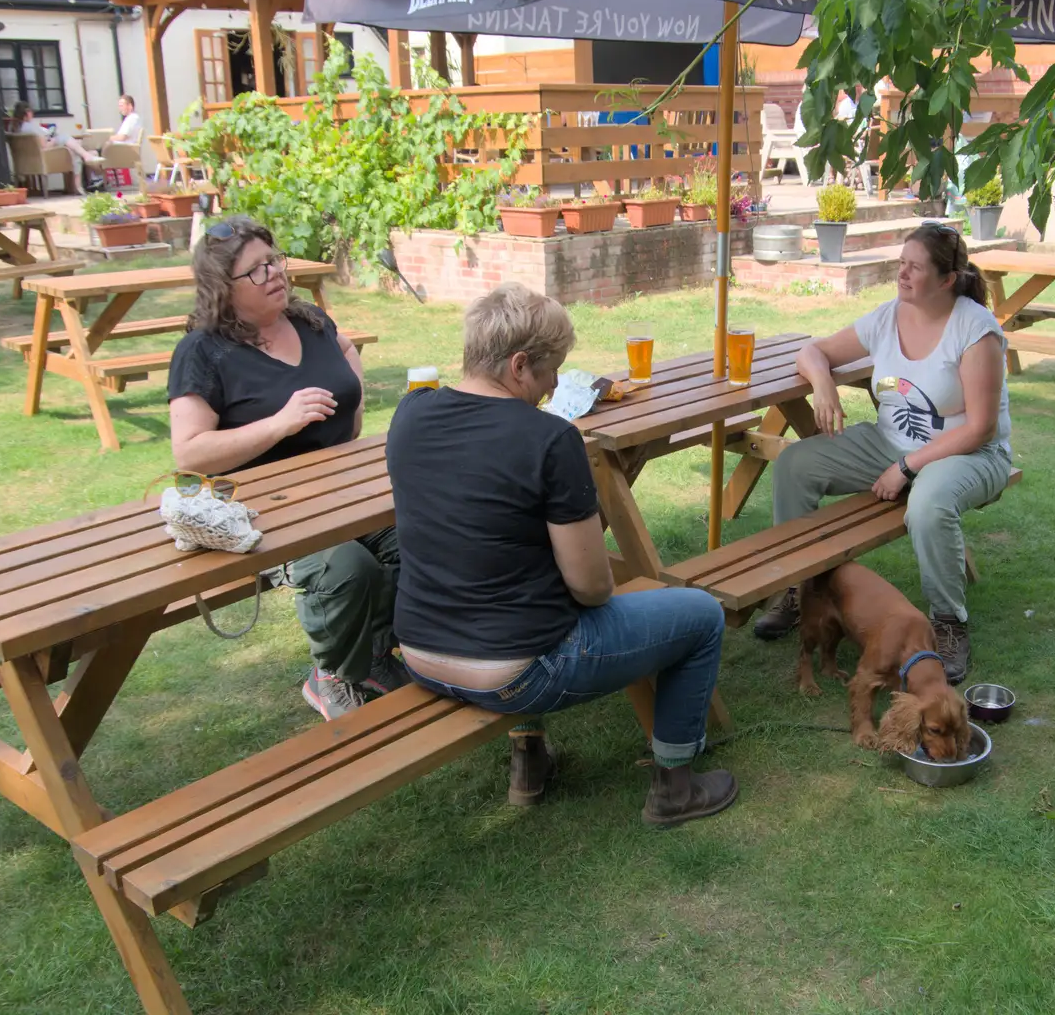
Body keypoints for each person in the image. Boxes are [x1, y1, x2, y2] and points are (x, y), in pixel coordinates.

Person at [385, 284, 738, 827]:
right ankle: (675, 787)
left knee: (521, 593)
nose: (553, 388)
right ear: (519, 365)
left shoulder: (409, 414)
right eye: (553, 372)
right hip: (516, 672)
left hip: (421, 654)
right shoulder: (550, 439)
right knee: (701, 615)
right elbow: (592, 589)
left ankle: (531, 757)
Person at [166, 215, 408, 720]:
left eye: (274, 260)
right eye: (256, 271)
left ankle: (373, 655)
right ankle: (332, 673)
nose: (274, 273)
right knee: (347, 570)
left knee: (427, 536)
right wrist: (279, 424)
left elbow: (343, 356)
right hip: (267, 511)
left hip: (345, 488)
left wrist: (353, 389)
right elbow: (188, 453)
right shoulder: (204, 351)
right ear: (223, 288)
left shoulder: (310, 321)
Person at [753, 223, 1013, 684]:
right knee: (795, 463)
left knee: (928, 504)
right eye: (901, 263)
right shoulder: (888, 317)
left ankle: (948, 623)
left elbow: (980, 427)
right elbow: (812, 351)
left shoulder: (975, 330)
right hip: (888, 442)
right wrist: (823, 385)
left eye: (915, 267)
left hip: (970, 456)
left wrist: (907, 467)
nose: (903, 273)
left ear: (947, 279)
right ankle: (798, 589)